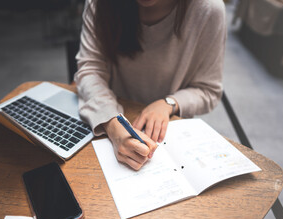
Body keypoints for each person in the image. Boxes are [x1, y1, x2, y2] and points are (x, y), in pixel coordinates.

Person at [75, 0, 226, 170]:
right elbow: (90, 70)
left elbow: (208, 90)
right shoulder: (100, 4)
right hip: (108, 116)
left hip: (170, 132)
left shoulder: (208, 9)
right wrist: (112, 123)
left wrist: (170, 103)